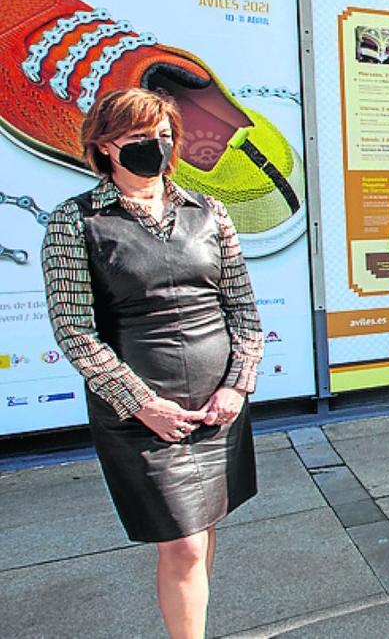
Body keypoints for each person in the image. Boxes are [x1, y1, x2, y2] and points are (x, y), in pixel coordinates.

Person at [40, 88, 262, 639]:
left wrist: (236, 386)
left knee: (203, 530)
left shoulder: (209, 211)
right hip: (141, 414)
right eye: (140, 139)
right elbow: (75, 329)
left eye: (164, 137)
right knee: (183, 541)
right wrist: (143, 404)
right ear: (106, 145)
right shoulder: (76, 222)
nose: (156, 148)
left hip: (217, 407)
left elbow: (243, 310)